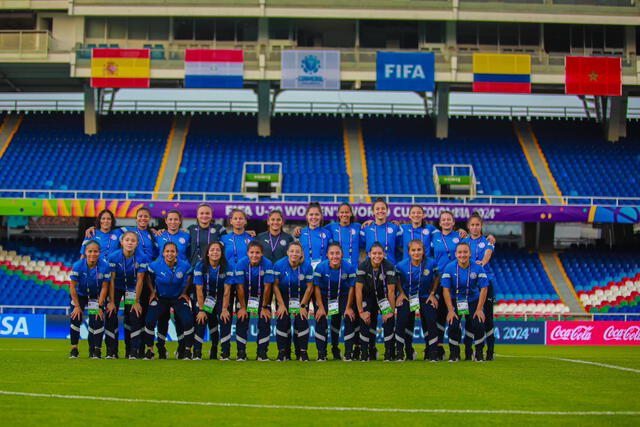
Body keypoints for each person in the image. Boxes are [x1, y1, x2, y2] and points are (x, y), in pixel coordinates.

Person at [143, 242, 195, 360]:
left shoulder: (184, 265)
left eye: (172, 251)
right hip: (160, 298)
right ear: (163, 253)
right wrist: (152, 292)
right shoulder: (155, 265)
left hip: (177, 298)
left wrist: (184, 292)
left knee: (187, 321)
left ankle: (185, 350)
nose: (169, 254)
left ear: (176, 253)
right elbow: (148, 277)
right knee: (150, 321)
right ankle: (152, 350)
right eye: (167, 251)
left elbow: (190, 276)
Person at [441, 242, 489, 362]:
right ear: (456, 254)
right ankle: (454, 353)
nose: (463, 255)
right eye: (460, 252)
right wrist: (450, 310)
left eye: (465, 252)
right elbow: (445, 290)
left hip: (473, 300)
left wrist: (479, 309)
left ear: (470, 253)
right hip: (456, 301)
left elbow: (484, 288)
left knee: (478, 323)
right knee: (453, 325)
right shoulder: (449, 267)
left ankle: (477, 353)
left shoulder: (478, 267)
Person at [394, 239, 440, 361]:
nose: (416, 253)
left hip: (425, 297)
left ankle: (432, 353)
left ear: (423, 251)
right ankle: (401, 352)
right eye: (413, 250)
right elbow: (395, 279)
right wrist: (401, 293)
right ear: (409, 252)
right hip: (408, 297)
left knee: (430, 321)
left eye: (419, 250)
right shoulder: (401, 265)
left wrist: (432, 293)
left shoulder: (431, 263)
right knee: (402, 322)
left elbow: (438, 277)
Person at [105, 231, 149, 359]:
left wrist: (136, 301)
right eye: (127, 240)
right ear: (122, 242)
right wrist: (112, 301)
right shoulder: (113, 257)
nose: (130, 243)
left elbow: (140, 280)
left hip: (132, 289)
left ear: (137, 243)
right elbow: (111, 280)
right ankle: (111, 351)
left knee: (134, 316)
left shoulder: (142, 257)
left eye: (133, 241)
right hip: (117, 288)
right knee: (111, 314)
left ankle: (133, 351)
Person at [154, 209, 191, 356]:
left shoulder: (186, 236)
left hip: (181, 281)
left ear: (180, 221)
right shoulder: (159, 235)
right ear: (166, 221)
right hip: (163, 281)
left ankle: (181, 348)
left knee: (180, 318)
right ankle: (161, 348)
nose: (173, 222)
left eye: (176, 219)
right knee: (162, 318)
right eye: (170, 219)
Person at [313, 243, 358, 362]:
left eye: (337, 253)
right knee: (320, 318)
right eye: (332, 253)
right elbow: (316, 288)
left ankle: (347, 352)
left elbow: (352, 288)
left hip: (342, 295)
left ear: (342, 254)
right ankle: (321, 353)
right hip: (324, 295)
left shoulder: (349, 267)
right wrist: (321, 307)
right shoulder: (320, 267)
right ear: (327, 255)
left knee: (349, 317)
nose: (335, 256)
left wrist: (348, 307)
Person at [232, 241, 275, 361]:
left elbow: (268, 287)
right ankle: (241, 353)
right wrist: (243, 308)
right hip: (244, 296)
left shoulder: (267, 263)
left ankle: (262, 353)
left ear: (262, 254)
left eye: (257, 253)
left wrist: (265, 307)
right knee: (242, 320)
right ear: (247, 253)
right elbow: (239, 287)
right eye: (252, 252)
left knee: (265, 321)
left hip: (262, 296)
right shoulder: (241, 263)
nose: (254, 255)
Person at [272, 241, 314, 361]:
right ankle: (283, 352)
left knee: (302, 321)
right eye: (292, 251)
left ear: (301, 254)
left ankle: (302, 352)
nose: (294, 254)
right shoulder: (279, 265)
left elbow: (310, 287)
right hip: (284, 296)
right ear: (287, 252)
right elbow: (275, 286)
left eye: (297, 251)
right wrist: (280, 305)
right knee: (282, 320)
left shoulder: (307, 266)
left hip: (301, 297)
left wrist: (303, 306)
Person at [430, 210, 464, 360]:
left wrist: (490, 238)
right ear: (440, 222)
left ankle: (455, 351)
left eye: (448, 219)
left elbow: (475, 242)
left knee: (454, 317)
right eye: (443, 220)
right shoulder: (434, 237)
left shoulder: (461, 236)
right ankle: (438, 349)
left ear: (453, 222)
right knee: (439, 316)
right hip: (438, 281)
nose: (446, 222)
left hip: (456, 281)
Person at [355, 243, 397, 362]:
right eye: (374, 253)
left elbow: (391, 290)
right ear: (369, 254)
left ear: (384, 254)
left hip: (383, 297)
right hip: (367, 297)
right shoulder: (363, 266)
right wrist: (361, 312)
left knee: (389, 319)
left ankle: (389, 353)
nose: (377, 256)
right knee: (365, 319)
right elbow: (358, 290)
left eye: (379, 253)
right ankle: (365, 352)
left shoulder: (389, 266)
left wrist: (390, 311)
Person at [69, 241, 111, 359]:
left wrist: (100, 306)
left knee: (96, 320)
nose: (93, 254)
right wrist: (77, 306)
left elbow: (104, 287)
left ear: (99, 252)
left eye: (95, 251)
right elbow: (72, 286)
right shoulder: (78, 265)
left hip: (95, 298)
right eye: (90, 251)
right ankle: (74, 349)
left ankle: (96, 350)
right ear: (86, 252)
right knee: (75, 318)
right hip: (80, 296)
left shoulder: (105, 266)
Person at [463, 212, 496, 361]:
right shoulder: (463, 242)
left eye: (477, 225)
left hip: (485, 283)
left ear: (481, 226)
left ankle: (489, 351)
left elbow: (488, 254)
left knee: (487, 318)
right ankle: (469, 351)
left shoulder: (487, 241)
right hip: (468, 285)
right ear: (468, 227)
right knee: (470, 318)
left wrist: (481, 263)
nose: (475, 227)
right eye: (472, 225)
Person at [193, 242, 232, 360]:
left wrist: (224, 309)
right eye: (212, 250)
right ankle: (197, 352)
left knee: (225, 319)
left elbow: (227, 291)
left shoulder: (227, 266)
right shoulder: (200, 266)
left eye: (218, 250)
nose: (215, 252)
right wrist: (201, 309)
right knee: (201, 320)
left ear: (221, 253)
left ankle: (224, 352)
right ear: (208, 253)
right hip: (204, 298)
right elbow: (199, 289)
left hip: (221, 298)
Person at [360, 198, 403, 265]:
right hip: (370, 267)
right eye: (377, 209)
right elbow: (361, 247)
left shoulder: (395, 228)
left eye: (383, 208)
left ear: (387, 211)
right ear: (373, 212)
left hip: (389, 267)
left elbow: (400, 247)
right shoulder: (366, 228)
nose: (380, 211)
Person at [298, 202, 332, 269]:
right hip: (305, 271)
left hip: (323, 271)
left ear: (321, 216)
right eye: (311, 214)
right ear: (307, 216)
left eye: (317, 214)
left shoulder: (327, 233)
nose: (314, 217)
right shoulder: (300, 233)